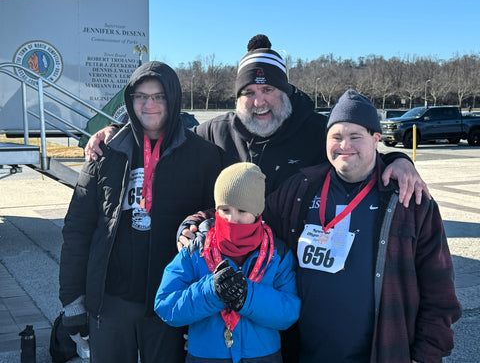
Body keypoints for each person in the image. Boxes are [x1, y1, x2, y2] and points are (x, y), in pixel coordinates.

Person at [84, 35, 429, 249]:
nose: (259, 101)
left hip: (297, 270)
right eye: (248, 92)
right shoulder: (213, 133)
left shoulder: (315, 131)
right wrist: (116, 132)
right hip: (228, 266)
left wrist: (400, 161)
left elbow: (356, 152)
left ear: (285, 92)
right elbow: (164, 140)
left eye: (268, 90)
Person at [263, 90, 461, 363]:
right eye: (336, 137)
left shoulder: (409, 200)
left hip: (383, 352)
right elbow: (250, 219)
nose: (345, 145)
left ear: (376, 139)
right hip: (306, 352)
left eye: (355, 136)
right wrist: (203, 221)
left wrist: (426, 355)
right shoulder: (300, 189)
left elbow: (439, 291)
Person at [59, 61, 223, 363]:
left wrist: (202, 222)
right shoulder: (105, 151)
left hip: (171, 299)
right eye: (140, 96)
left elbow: (220, 216)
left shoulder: (204, 155)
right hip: (110, 301)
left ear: (173, 100)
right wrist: (72, 302)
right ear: (129, 100)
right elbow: (77, 228)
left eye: (159, 96)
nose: (149, 105)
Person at [155, 162, 301, 362]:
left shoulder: (277, 253)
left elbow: (290, 312)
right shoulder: (196, 249)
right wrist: (210, 292)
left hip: (262, 356)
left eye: (242, 210)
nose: (233, 219)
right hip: (206, 356)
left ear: (258, 212)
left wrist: (248, 297)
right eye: (225, 210)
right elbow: (165, 305)